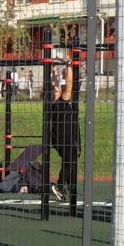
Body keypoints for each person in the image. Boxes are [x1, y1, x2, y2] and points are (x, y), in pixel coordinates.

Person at [46, 65, 82, 205]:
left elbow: (55, 84)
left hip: (63, 138)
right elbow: (69, 85)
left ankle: (64, 186)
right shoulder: (60, 101)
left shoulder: (55, 102)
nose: (58, 89)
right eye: (56, 90)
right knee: (71, 158)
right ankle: (60, 185)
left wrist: (54, 71)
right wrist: (69, 66)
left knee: (71, 161)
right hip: (64, 138)